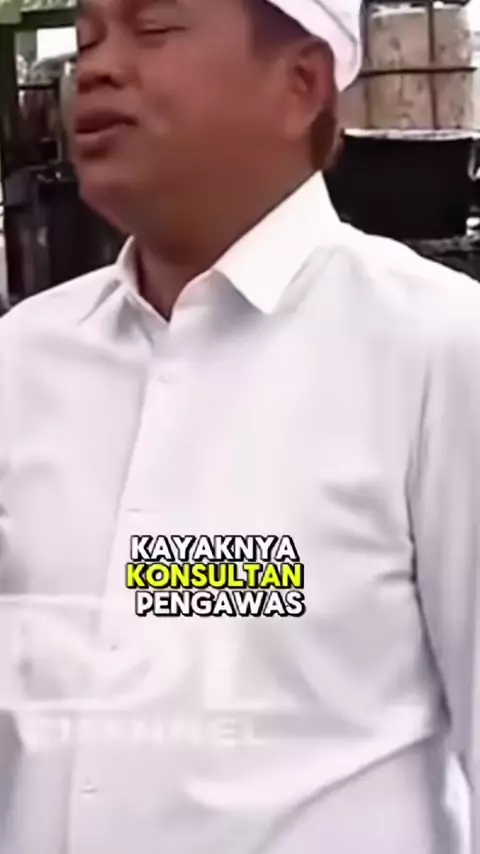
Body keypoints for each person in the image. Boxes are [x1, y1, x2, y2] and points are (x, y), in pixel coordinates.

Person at [0, 1, 479, 852]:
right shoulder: (24, 357)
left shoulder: (436, 347)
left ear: (300, 83)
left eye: (154, 29)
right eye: (88, 38)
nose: (97, 68)